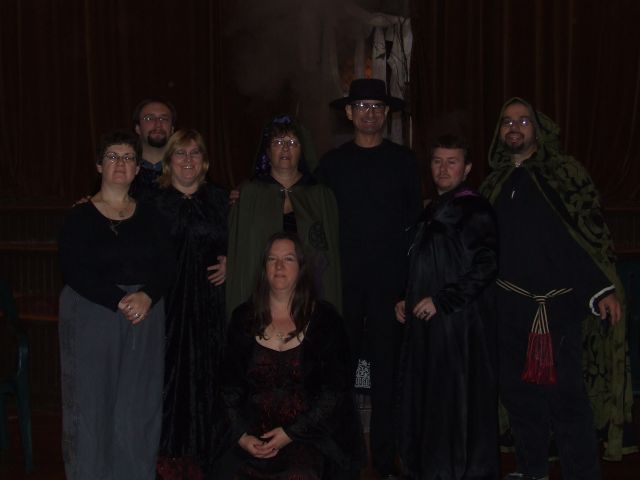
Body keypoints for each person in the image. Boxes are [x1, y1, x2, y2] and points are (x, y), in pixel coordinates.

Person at [480, 98, 627, 480]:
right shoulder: (493, 184)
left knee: (568, 402)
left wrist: (601, 288)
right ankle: (533, 472)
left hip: (557, 312)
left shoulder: (565, 175)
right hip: (508, 309)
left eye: (523, 121)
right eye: (507, 122)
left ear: (538, 129)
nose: (514, 127)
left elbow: (585, 238)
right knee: (519, 399)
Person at [315, 78, 422, 478]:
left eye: (377, 106)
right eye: (362, 106)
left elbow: (415, 228)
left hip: (389, 290)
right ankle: (341, 456)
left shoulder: (404, 161)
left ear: (387, 113)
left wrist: (408, 288)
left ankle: (386, 458)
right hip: (342, 288)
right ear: (349, 113)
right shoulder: (332, 164)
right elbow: (311, 219)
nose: (370, 113)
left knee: (386, 377)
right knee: (338, 374)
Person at [58, 131, 174, 479]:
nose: (120, 163)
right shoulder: (79, 217)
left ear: (138, 168)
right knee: (91, 406)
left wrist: (148, 295)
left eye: (128, 158)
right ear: (99, 165)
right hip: (93, 312)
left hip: (144, 314)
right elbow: (72, 269)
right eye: (112, 156)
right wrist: (118, 299)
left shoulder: (152, 216)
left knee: (138, 408)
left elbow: (168, 265)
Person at [395, 135, 499, 479]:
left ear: (466, 168)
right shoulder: (433, 208)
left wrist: (442, 300)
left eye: (451, 162)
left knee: (455, 405)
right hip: (430, 326)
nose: (443, 168)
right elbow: (427, 264)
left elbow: (486, 265)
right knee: (430, 400)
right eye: (437, 161)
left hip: (459, 329)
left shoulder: (475, 209)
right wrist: (407, 298)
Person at [218, 232, 362, 479]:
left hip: (309, 432)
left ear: (301, 267)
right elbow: (228, 387)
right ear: (264, 268)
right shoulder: (243, 317)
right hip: (252, 431)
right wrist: (241, 436)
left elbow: (334, 392)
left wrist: (290, 433)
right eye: (272, 259)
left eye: (288, 259)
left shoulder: (326, 320)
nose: (279, 266)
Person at [144, 129, 229, 478]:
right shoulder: (152, 202)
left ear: (204, 160)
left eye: (195, 153)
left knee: (211, 375)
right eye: (180, 153)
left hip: (211, 305)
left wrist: (233, 260)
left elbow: (243, 240)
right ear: (169, 161)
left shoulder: (221, 199)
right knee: (167, 375)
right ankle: (167, 454)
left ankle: (210, 453)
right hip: (168, 305)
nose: (188, 160)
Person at [226, 115, 341, 317]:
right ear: (267, 151)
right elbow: (240, 255)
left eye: (293, 143)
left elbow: (331, 257)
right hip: (261, 295)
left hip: (310, 293)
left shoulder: (321, 196)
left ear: (302, 150)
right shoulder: (249, 195)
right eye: (278, 142)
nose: (285, 148)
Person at [130, 98, 177, 194]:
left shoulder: (185, 169)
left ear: (172, 129)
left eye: (164, 119)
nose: (158, 124)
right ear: (138, 128)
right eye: (149, 119)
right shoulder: (125, 170)